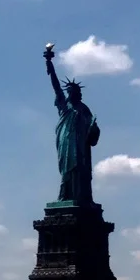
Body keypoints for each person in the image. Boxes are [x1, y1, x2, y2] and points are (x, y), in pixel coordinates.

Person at [44, 44, 101, 205]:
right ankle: (64, 195)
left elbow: (92, 129)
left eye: (76, 92)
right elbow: (55, 85)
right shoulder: (63, 104)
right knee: (68, 168)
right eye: (70, 92)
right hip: (66, 140)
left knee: (81, 169)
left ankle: (81, 197)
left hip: (81, 144)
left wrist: (93, 129)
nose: (74, 94)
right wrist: (49, 63)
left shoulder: (84, 108)